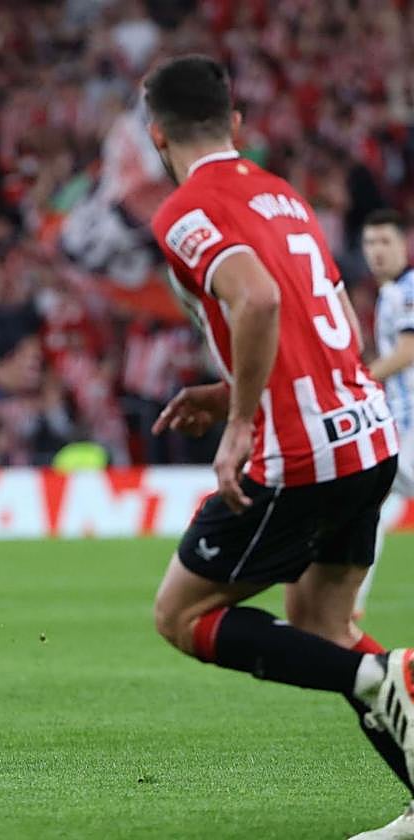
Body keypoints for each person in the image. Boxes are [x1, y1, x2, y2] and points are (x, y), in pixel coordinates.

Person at [143, 55, 414, 840]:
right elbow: (340, 332)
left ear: (157, 134)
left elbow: (255, 297)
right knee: (323, 620)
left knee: (182, 614)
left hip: (301, 455)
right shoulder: (283, 197)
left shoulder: (186, 211)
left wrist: (239, 426)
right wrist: (233, 393)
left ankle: (382, 674)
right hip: (369, 435)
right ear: (236, 125)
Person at [356, 209, 414, 617]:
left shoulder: (408, 290)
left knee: (362, 504)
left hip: (411, 430)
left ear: (403, 244)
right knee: (362, 505)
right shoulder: (389, 293)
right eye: (370, 243)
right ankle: (347, 607)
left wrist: (358, 382)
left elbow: (409, 352)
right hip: (397, 427)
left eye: (385, 242)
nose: (377, 251)